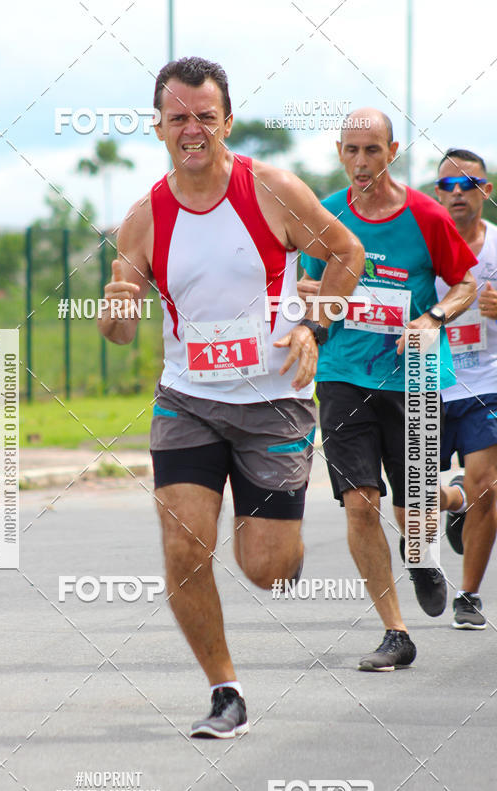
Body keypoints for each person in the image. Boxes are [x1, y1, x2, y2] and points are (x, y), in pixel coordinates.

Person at [98, 57, 364, 737]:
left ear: (227, 123)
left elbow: (345, 252)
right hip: (186, 400)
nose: (192, 129)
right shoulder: (143, 219)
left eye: (205, 117)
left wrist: (315, 321)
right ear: (158, 126)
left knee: (266, 569)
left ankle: (287, 553)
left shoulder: (270, 189)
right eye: (179, 117)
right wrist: (117, 304)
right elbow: (120, 334)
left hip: (273, 402)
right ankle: (225, 691)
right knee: (185, 546)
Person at [299, 108, 477, 672]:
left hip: (415, 377)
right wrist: (313, 295)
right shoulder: (326, 214)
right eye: (350, 151)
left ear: (392, 151)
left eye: (371, 151)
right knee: (360, 504)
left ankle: (446, 512)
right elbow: (309, 285)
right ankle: (395, 632)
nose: (360, 163)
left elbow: (466, 284)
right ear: (338, 152)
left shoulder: (425, 215)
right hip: (344, 376)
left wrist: (433, 319)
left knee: (413, 510)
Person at [434, 149, 497, 629]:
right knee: (416, 495)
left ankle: (468, 595)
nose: (458, 193)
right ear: (437, 193)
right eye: (448, 186)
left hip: (485, 383)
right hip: (426, 386)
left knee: (487, 488)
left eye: (468, 184)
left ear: (485, 190)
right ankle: (452, 501)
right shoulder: (420, 244)